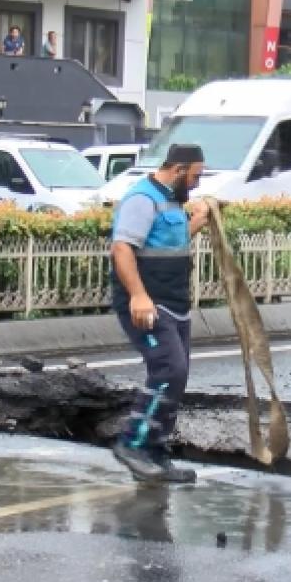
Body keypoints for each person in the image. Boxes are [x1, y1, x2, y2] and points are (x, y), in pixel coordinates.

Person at [109, 144, 210, 484]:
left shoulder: (170, 201)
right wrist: (138, 296)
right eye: (195, 176)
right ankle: (133, 444)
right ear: (179, 169)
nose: (197, 184)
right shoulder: (143, 199)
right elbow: (122, 249)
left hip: (174, 304)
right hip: (147, 304)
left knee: (177, 376)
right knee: (169, 369)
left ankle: (155, 453)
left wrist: (196, 223)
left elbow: (167, 242)